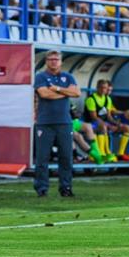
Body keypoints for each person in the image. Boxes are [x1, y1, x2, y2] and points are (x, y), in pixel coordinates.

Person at [34, 50, 80, 197]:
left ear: (61, 62)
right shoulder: (41, 76)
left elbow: (77, 93)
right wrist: (65, 93)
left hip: (64, 122)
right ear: (46, 61)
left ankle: (65, 188)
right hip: (45, 122)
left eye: (56, 59)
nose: (53, 61)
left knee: (66, 157)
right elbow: (44, 94)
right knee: (42, 158)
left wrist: (58, 89)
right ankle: (42, 189)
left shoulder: (68, 77)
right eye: (50, 59)